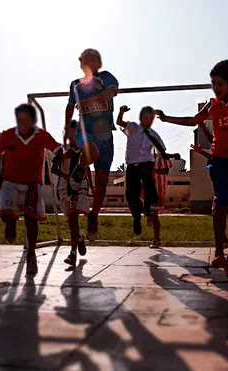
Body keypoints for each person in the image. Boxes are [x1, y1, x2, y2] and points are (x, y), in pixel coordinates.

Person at [155, 59, 228, 279]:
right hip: (220, 159)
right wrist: (166, 118)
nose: (215, 89)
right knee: (220, 202)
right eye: (212, 84)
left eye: (219, 84)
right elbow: (193, 120)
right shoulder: (212, 104)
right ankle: (219, 252)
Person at [0, 103, 63, 276]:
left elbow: (58, 149)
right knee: (7, 213)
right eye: (19, 119)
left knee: (31, 220)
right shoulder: (8, 135)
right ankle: (11, 223)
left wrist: (56, 160)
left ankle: (31, 254)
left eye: (26, 120)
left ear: (33, 121)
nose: (23, 123)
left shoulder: (41, 135)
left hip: (32, 182)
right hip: (10, 180)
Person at [64, 48, 118, 242]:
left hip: (105, 135)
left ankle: (94, 216)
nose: (87, 64)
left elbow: (112, 92)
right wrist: (67, 129)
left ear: (98, 63)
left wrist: (93, 99)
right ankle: (79, 169)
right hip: (85, 131)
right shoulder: (76, 85)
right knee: (91, 153)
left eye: (91, 60)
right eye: (83, 61)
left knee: (102, 180)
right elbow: (70, 106)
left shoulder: (106, 77)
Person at [117, 105, 180, 241]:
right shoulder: (133, 128)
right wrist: (121, 112)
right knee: (131, 196)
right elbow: (119, 123)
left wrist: (171, 155)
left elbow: (162, 149)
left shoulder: (153, 134)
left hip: (146, 167)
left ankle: (148, 210)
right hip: (132, 166)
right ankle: (137, 216)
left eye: (150, 119)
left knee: (149, 191)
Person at [51, 132, 92, 267]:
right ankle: (79, 238)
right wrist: (67, 176)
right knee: (71, 223)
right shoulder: (61, 150)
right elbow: (53, 169)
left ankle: (72, 254)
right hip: (64, 188)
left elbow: (87, 167)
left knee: (74, 218)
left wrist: (91, 185)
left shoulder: (84, 150)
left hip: (79, 187)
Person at [191, 137, 228, 252]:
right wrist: (201, 151)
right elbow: (212, 158)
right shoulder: (218, 157)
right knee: (218, 213)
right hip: (219, 189)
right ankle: (225, 240)